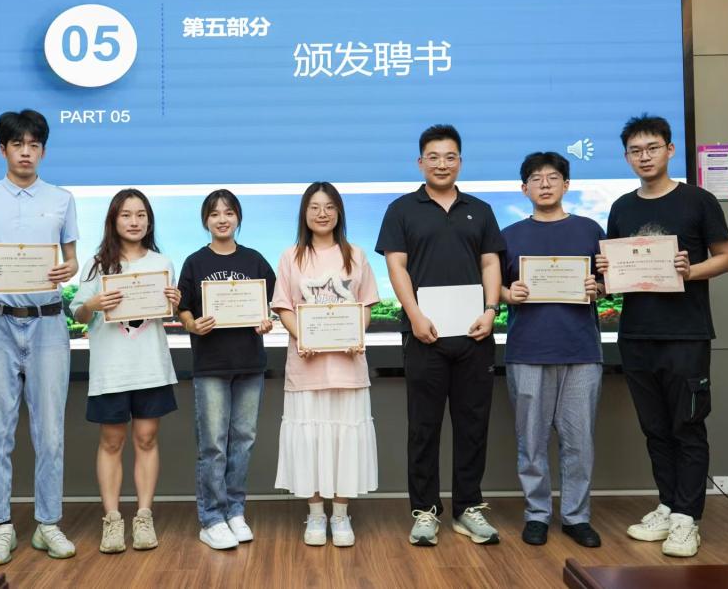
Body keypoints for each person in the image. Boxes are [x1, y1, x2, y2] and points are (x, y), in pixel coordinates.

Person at [596, 114, 728, 558]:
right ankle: (669, 505)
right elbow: (615, 275)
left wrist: (690, 271)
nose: (644, 156)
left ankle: (687, 519)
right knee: (655, 429)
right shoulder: (622, 207)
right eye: (635, 151)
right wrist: (605, 271)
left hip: (686, 333)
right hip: (636, 334)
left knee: (686, 427)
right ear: (626, 157)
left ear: (670, 150)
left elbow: (726, 257)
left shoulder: (698, 200)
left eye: (652, 148)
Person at [375, 124, 505, 547]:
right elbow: (396, 266)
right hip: (423, 335)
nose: (442, 164)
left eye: (450, 157)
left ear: (460, 162)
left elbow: (490, 263)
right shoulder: (401, 209)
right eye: (433, 157)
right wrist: (414, 315)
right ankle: (425, 511)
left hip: (474, 335)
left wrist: (491, 311)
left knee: (472, 425)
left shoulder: (480, 210)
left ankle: (468, 508)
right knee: (424, 427)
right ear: (420, 162)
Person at [0, 110, 79, 565]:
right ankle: (1, 526)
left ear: (43, 151)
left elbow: (71, 259)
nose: (25, 152)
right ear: (3, 150)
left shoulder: (62, 199)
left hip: (48, 322)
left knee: (50, 432)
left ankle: (48, 523)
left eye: (33, 145)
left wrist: (67, 269)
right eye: (17, 145)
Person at [499, 151, 604, 548]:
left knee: (580, 442)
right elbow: (493, 286)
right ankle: (537, 514)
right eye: (536, 179)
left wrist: (598, 287)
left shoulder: (590, 230)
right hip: (527, 351)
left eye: (553, 177)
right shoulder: (508, 236)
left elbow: (610, 282)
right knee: (531, 442)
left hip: (581, 351)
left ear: (566, 184)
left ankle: (577, 517)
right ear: (523, 188)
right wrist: (509, 293)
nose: (545, 184)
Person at [71, 189, 181, 554]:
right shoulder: (96, 265)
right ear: (113, 220)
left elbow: (165, 313)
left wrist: (174, 303)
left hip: (151, 366)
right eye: (126, 215)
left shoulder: (163, 262)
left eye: (141, 215)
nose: (134, 222)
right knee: (111, 442)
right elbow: (78, 314)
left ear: (149, 221)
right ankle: (113, 519)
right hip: (111, 369)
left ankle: (144, 516)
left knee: (147, 439)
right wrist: (93, 302)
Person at [271, 182, 379, 547]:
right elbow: (284, 307)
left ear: (339, 212)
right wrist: (305, 337)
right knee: (311, 440)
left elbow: (365, 305)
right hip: (307, 367)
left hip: (348, 366)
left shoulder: (356, 255)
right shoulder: (291, 256)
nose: (322, 213)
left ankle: (341, 515)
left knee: (344, 438)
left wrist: (354, 334)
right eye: (315, 207)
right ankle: (316, 515)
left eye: (329, 206)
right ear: (304, 213)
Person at [177, 190, 276, 550]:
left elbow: (270, 304)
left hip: (250, 364)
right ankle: (211, 519)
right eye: (215, 213)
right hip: (211, 366)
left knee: (243, 441)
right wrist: (192, 324)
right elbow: (183, 309)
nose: (222, 219)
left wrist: (267, 321)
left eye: (229, 212)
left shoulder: (255, 260)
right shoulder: (194, 262)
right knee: (213, 445)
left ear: (238, 218)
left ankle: (235, 511)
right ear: (206, 220)